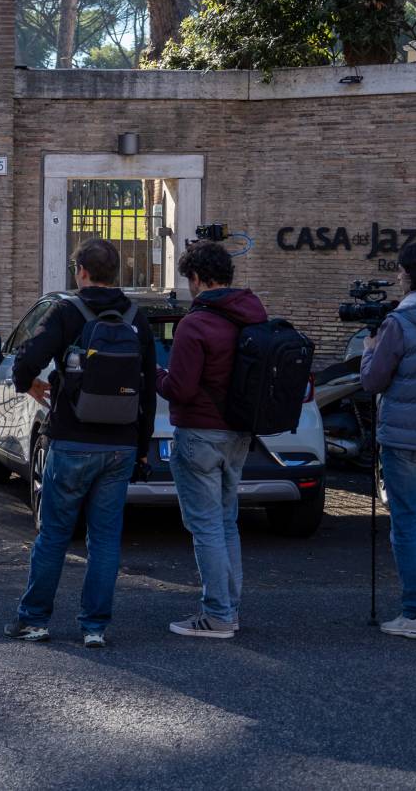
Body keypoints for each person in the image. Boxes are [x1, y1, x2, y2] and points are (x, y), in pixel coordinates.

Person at [3, 239, 158, 648]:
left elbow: (26, 358)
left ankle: (34, 620)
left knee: (54, 535)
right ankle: (94, 627)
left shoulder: (66, 311)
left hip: (72, 440)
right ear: (115, 273)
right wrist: (141, 447)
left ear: (82, 272)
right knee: (105, 540)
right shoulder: (136, 318)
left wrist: (27, 383)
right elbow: (148, 391)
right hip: (121, 444)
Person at [157, 241, 267, 640]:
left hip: (200, 434)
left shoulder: (196, 323)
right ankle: (229, 611)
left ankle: (217, 615)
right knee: (225, 523)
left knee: (205, 526)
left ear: (197, 278)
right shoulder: (252, 314)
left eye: (188, 279)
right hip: (238, 433)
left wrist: (156, 376)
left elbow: (180, 389)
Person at [360, 241, 416, 640]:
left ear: (412, 273)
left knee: (406, 523)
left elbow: (372, 381)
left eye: (401, 270)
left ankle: (414, 614)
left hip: (403, 437)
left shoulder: (399, 322)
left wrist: (369, 350)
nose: (398, 277)